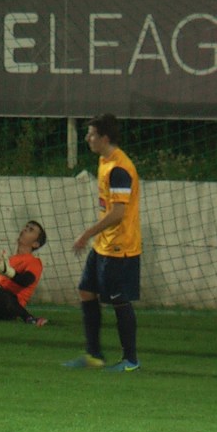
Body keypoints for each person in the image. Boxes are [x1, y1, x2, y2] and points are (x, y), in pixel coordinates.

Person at [64, 113, 141, 372]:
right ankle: (94, 355)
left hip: (120, 247)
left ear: (104, 138)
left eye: (92, 134)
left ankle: (131, 360)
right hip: (103, 244)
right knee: (86, 290)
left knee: (119, 300)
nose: (88, 138)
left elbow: (118, 213)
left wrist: (86, 234)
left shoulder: (119, 168)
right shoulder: (104, 161)